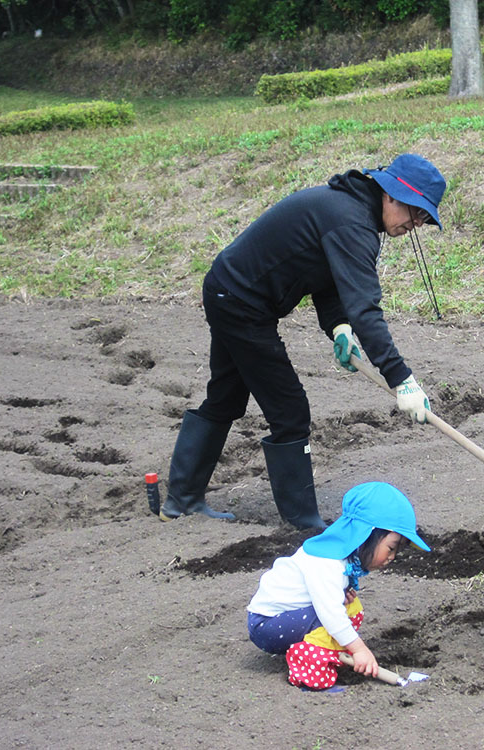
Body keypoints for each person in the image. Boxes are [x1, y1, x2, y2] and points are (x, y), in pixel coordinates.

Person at [158, 154, 445, 528]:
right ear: (392, 194)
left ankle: (181, 501)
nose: (417, 224)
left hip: (229, 290)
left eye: (424, 218)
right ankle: (303, 523)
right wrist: (401, 379)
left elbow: (324, 276)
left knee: (225, 397)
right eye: (417, 213)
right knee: (290, 410)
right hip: (242, 303)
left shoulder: (351, 211)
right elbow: (366, 311)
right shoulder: (351, 222)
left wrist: (339, 326)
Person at [246, 481, 430, 690]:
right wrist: (359, 649)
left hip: (288, 618)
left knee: (351, 607)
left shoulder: (339, 558)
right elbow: (330, 614)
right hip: (267, 625)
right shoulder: (327, 563)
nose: (392, 557)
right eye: (391, 548)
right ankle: (309, 671)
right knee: (332, 618)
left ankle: (327, 653)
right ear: (367, 534)